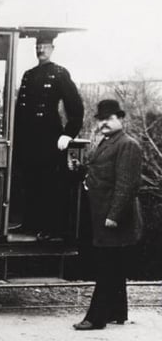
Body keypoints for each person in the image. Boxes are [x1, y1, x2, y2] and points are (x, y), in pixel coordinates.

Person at [70, 99, 143, 330]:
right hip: (104, 213)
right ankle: (117, 312)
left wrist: (113, 215)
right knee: (115, 266)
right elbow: (102, 172)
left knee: (107, 267)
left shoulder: (127, 145)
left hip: (114, 217)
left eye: (109, 119)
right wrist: (82, 170)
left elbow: (126, 184)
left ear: (121, 119)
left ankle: (96, 318)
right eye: (101, 119)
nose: (104, 123)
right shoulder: (109, 142)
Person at [11, 34, 84, 239]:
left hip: (48, 138)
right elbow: (20, 109)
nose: (41, 50)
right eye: (38, 46)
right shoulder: (28, 74)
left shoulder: (59, 73)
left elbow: (76, 108)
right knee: (29, 182)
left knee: (48, 184)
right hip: (27, 138)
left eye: (44, 46)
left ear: (52, 48)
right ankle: (30, 223)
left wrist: (68, 134)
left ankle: (50, 228)